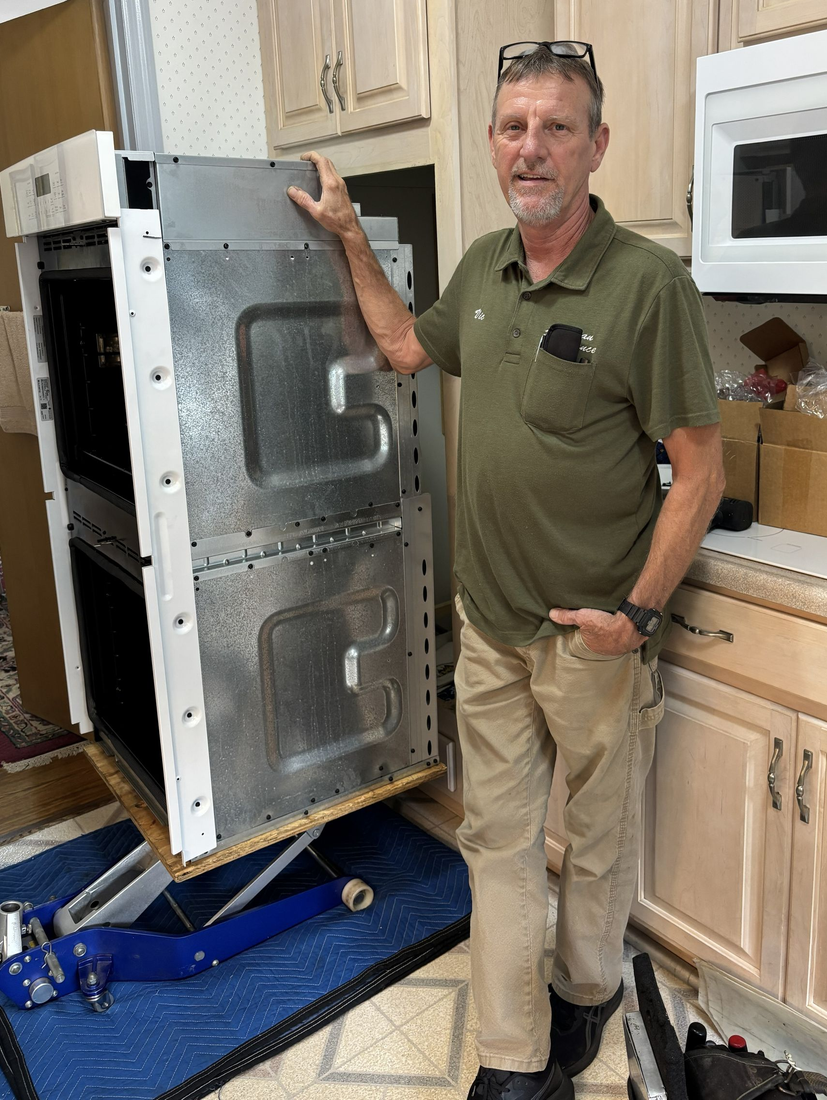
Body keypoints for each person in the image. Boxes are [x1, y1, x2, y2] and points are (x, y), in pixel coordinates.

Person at [289, 40, 724, 1100]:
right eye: (514, 127)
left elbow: (701, 470)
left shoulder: (647, 285)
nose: (532, 148)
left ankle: (587, 993)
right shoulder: (483, 265)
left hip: (593, 634)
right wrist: (349, 238)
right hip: (488, 623)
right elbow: (402, 347)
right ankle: (514, 1057)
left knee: (600, 839)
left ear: (597, 145)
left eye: (556, 127)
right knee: (498, 838)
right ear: (494, 142)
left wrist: (634, 612)